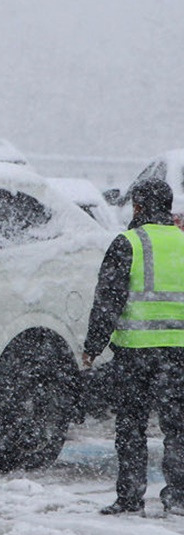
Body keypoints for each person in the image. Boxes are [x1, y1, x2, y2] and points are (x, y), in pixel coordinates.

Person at [82, 177, 184, 515]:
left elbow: (108, 300)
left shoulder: (129, 243)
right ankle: (179, 496)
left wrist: (93, 345)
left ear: (139, 206)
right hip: (179, 353)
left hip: (135, 353)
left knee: (131, 426)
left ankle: (130, 496)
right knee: (178, 427)